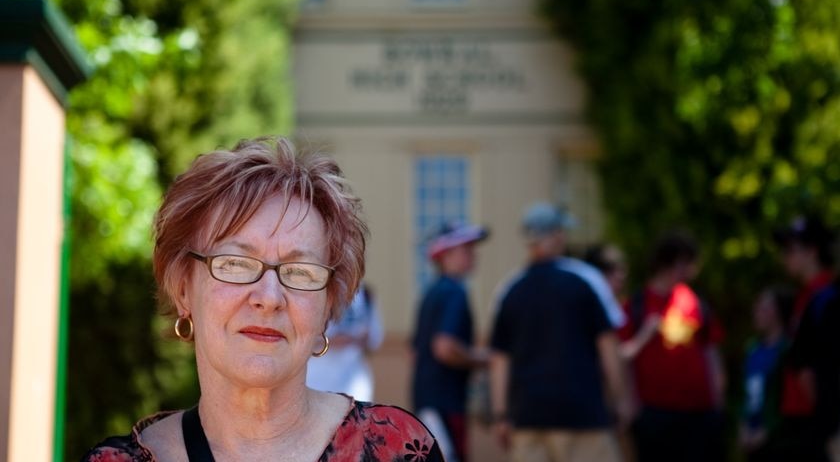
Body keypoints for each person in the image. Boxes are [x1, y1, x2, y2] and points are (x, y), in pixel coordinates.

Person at [83, 137, 443, 461]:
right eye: (236, 264)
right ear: (182, 289)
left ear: (327, 307)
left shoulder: (399, 450)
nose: (269, 298)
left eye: (300, 272)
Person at [489, 202, 630, 462]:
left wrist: (500, 414)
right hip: (583, 415)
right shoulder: (587, 279)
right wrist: (620, 400)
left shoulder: (508, 289)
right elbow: (608, 345)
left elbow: (500, 359)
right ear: (556, 236)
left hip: (527, 418)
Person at [619, 230, 726, 462]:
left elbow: (711, 352)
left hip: (699, 414)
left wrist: (718, 402)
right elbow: (622, 357)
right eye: (688, 263)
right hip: (655, 415)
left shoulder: (695, 302)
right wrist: (631, 403)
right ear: (674, 262)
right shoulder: (637, 305)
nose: (692, 271)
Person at [411, 221, 490, 462]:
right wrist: (483, 360)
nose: (472, 255)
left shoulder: (432, 292)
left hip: (428, 400)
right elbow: (444, 348)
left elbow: (413, 350)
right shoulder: (454, 292)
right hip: (445, 404)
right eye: (465, 249)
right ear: (444, 256)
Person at [772, 216, 840, 461]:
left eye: (791, 250)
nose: (785, 257)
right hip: (799, 423)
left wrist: (831, 427)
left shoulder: (829, 299)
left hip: (819, 426)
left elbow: (819, 368)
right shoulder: (805, 297)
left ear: (812, 251)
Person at [739, 285, 794, 461]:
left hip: (781, 442)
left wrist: (768, 431)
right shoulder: (753, 348)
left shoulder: (788, 350)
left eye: (764, 307)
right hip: (751, 438)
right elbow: (746, 393)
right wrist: (743, 427)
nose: (757, 312)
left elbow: (788, 398)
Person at [306, 283, 384, 401]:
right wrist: (331, 342)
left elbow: (375, 338)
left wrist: (358, 339)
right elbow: (302, 337)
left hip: (355, 380)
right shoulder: (316, 290)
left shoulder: (365, 295)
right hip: (317, 380)